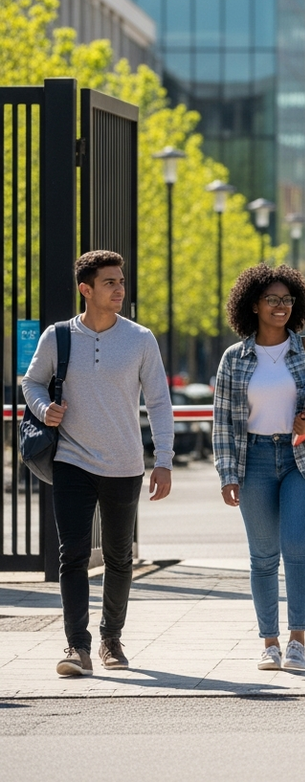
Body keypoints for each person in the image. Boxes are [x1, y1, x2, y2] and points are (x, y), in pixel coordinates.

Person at [22, 250, 174, 677]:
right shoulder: (58, 336)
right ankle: (78, 646)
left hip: (124, 463)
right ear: (85, 289)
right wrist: (44, 408)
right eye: (110, 282)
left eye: (121, 281)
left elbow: (159, 402)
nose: (119, 288)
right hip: (71, 459)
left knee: (118, 557)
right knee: (72, 555)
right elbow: (32, 382)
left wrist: (164, 459)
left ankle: (111, 638)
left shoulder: (140, 338)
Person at [213, 264, 305, 672]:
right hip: (253, 460)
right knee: (262, 556)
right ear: (253, 305)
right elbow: (222, 422)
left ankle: (297, 642)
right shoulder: (234, 359)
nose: (280, 306)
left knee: (296, 548)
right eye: (271, 299)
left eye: (287, 300)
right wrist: (227, 474)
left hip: (302, 460)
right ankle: (269, 643)